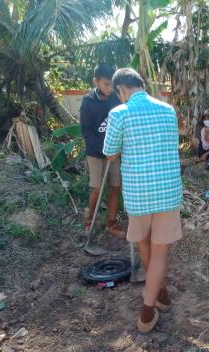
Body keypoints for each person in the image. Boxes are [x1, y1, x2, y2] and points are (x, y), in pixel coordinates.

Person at [103, 68, 183, 334]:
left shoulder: (119, 113)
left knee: (145, 247)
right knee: (160, 252)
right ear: (141, 84)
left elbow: (110, 154)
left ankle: (147, 314)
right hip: (167, 192)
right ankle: (161, 294)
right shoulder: (167, 110)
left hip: (139, 194)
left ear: (120, 90)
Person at [79, 63, 125, 239]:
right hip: (96, 154)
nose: (110, 88)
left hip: (114, 154)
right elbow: (87, 132)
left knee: (115, 188)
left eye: (112, 84)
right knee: (97, 189)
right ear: (95, 81)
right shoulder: (88, 102)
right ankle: (90, 222)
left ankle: (111, 224)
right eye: (106, 84)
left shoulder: (116, 99)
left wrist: (114, 149)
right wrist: (105, 150)